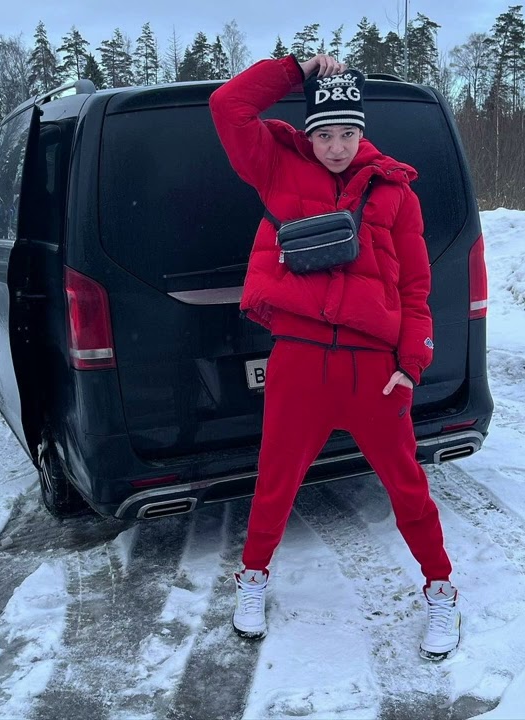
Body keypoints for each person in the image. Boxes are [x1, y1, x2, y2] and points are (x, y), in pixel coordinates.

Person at [209, 52, 462, 661]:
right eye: (325, 134)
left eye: (348, 133)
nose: (337, 147)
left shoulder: (395, 191)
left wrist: (411, 364)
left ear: (362, 131)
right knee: (275, 481)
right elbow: (228, 105)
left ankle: (440, 588)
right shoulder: (278, 165)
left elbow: (415, 287)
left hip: (374, 370)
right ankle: (253, 577)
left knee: (407, 486)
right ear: (310, 132)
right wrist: (294, 70)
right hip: (299, 361)